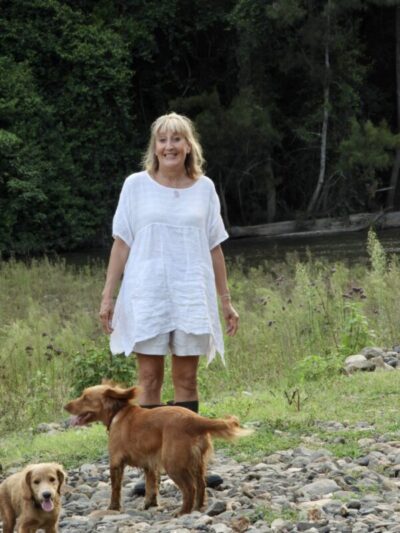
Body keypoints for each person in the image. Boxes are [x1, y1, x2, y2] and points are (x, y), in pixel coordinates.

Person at [99, 112, 239, 489]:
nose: (170, 146)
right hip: (148, 295)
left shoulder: (205, 188)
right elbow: (122, 243)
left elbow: (215, 248)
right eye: (163, 140)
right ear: (154, 147)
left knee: (187, 379)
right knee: (148, 379)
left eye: (177, 139)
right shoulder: (136, 186)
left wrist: (225, 301)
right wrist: (108, 297)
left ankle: (192, 463)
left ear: (189, 145)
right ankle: (152, 472)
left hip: (191, 294)